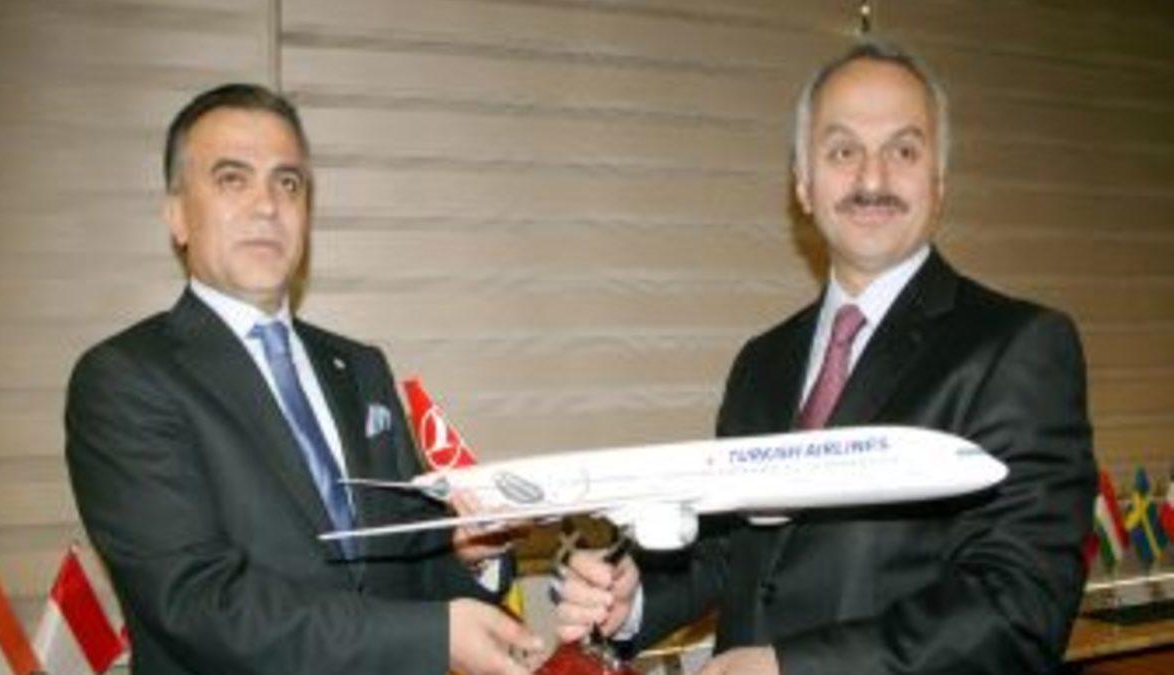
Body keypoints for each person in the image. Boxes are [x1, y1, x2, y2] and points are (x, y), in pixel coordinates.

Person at [553, 41, 1096, 675]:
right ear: (803, 185)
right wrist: (634, 600)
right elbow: (736, 550)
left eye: (904, 151)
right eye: (843, 151)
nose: (873, 180)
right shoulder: (761, 362)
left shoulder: (1019, 347)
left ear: (940, 182)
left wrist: (790, 667)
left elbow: (1019, 607)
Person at [65, 83, 541, 675]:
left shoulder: (361, 368)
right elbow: (197, 604)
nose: (268, 205)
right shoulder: (125, 379)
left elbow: (404, 566)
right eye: (232, 179)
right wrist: (431, 635)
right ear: (178, 216)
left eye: (287, 183)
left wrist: (469, 557)